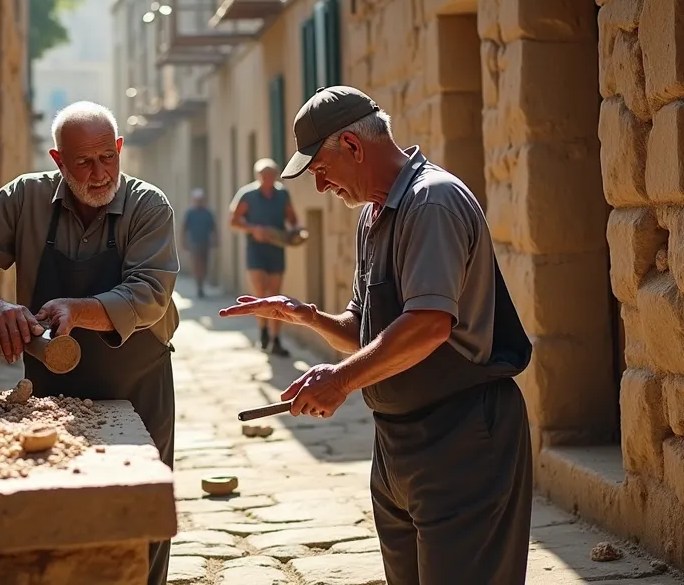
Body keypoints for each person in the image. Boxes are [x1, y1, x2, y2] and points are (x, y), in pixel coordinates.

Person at [219, 86, 535, 584]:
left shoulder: (431, 201)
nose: (320, 188)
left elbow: (429, 325)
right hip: (398, 442)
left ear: (352, 144)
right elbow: (366, 331)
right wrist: (307, 317)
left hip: (463, 436)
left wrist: (341, 382)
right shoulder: (373, 214)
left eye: (320, 170)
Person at [0, 101, 179, 585]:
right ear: (58, 161)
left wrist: (77, 309)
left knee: (140, 517)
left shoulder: (149, 206)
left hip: (140, 383)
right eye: (83, 162)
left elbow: (149, 293)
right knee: (63, 515)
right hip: (51, 393)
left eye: (108, 156)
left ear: (120, 149)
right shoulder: (26, 200)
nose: (100, 172)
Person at [228, 158, 299, 356]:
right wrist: (253, 229)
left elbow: (293, 219)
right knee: (261, 291)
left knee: (276, 295)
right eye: (264, 176)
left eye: (271, 175)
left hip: (276, 248)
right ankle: (263, 331)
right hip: (256, 249)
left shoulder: (282, 194)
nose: (268, 179)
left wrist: (297, 231)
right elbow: (233, 220)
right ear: (258, 176)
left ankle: (276, 339)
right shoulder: (247, 194)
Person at [181, 189, 218, 298]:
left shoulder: (207, 213)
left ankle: (202, 282)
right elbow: (184, 228)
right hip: (194, 242)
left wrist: (215, 239)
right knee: (197, 264)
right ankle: (199, 285)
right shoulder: (190, 213)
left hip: (205, 242)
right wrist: (183, 241)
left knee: (204, 264)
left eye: (200, 200)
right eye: (197, 200)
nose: (199, 202)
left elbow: (213, 227)